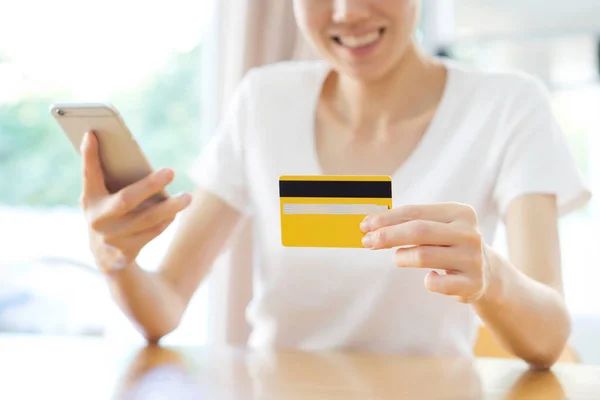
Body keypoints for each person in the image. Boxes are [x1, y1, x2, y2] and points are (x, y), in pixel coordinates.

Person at [79, 0, 590, 368]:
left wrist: (490, 277)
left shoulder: (507, 106)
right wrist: (115, 259)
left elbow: (548, 340)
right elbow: (163, 308)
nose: (346, 11)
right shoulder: (264, 99)